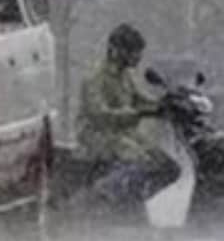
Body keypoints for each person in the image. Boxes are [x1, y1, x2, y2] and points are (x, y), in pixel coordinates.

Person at [76, 23, 181, 210]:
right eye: (134, 52)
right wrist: (137, 113)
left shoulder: (125, 76)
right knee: (141, 161)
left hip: (126, 135)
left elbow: (140, 99)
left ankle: (129, 202)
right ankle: (96, 198)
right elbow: (99, 115)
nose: (138, 57)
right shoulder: (95, 77)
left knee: (169, 167)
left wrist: (165, 104)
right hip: (100, 136)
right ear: (118, 51)